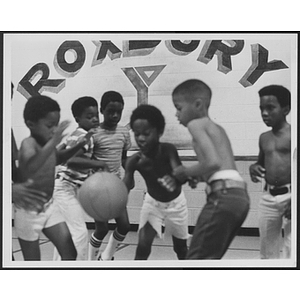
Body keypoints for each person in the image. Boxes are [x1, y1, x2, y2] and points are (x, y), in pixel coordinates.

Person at [171, 79, 250, 259]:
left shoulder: (195, 124)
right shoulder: (217, 128)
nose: (176, 114)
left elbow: (213, 162)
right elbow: (221, 166)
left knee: (196, 260)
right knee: (211, 259)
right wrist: (198, 177)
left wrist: (185, 172)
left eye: (179, 108)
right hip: (239, 197)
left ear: (198, 104)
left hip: (223, 196)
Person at [15, 95, 91, 260]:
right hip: (28, 211)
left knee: (70, 252)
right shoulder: (29, 143)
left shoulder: (47, 144)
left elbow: (59, 158)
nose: (55, 130)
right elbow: (30, 167)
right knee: (33, 263)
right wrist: (54, 141)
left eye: (56, 125)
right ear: (30, 124)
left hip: (49, 206)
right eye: (50, 125)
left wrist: (80, 144)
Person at [123, 104, 191, 260]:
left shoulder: (168, 150)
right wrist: (112, 196)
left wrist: (175, 178)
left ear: (159, 132)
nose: (140, 138)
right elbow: (125, 185)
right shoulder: (134, 161)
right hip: (152, 205)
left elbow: (181, 175)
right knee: (142, 247)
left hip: (176, 205)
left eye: (146, 133)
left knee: (181, 249)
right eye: (137, 134)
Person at [53, 96, 108, 260]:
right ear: (78, 119)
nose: (94, 119)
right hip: (64, 188)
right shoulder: (84, 136)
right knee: (79, 232)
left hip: (65, 188)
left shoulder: (77, 134)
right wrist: (98, 164)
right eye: (89, 117)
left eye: (96, 115)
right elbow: (72, 160)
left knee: (68, 232)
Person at [88, 91, 131, 260]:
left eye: (119, 112)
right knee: (102, 229)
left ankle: (106, 258)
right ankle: (90, 262)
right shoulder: (93, 133)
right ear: (101, 110)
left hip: (116, 186)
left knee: (125, 225)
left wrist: (131, 173)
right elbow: (87, 160)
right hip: (97, 188)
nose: (115, 115)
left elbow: (124, 159)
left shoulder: (123, 133)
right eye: (110, 111)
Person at [249, 85, 291, 259]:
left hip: (291, 196)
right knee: (267, 251)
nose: (264, 113)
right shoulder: (264, 138)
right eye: (261, 109)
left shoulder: (294, 135)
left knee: (292, 249)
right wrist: (253, 168)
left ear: (286, 109)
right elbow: (261, 163)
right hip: (268, 198)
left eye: (270, 108)